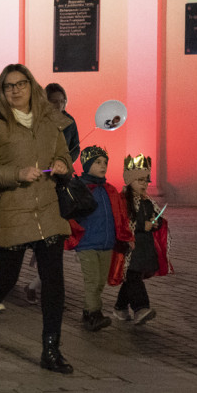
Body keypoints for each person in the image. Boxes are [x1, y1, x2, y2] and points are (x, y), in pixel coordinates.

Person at [0, 63, 74, 374]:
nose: (15, 90)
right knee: (6, 278)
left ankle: (51, 349)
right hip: (12, 210)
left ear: (31, 85)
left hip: (47, 210)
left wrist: (61, 163)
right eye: (9, 85)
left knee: (54, 283)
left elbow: (64, 154)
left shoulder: (48, 119)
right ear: (1, 89)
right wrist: (17, 174)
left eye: (20, 84)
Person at [64, 146, 133, 332]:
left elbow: (120, 216)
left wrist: (126, 236)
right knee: (92, 280)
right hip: (87, 243)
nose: (103, 166)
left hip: (106, 243)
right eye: (97, 162)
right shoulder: (79, 189)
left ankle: (88, 312)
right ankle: (95, 314)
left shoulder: (109, 190)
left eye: (105, 162)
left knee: (100, 281)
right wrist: (77, 233)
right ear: (87, 165)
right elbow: (70, 215)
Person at [24, 82, 81, 304]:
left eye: (62, 101)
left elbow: (75, 147)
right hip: (41, 180)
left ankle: (40, 285)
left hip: (61, 180)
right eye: (54, 101)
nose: (59, 105)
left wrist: (65, 161)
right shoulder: (38, 120)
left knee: (54, 237)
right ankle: (41, 284)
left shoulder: (70, 121)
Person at [109, 154, 172, 324]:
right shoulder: (123, 201)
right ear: (130, 180)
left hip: (144, 250)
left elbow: (157, 219)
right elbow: (122, 223)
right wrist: (142, 226)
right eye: (140, 180)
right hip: (130, 250)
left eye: (146, 180)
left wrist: (156, 222)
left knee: (132, 279)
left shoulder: (148, 202)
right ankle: (141, 308)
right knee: (133, 277)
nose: (144, 184)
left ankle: (120, 307)